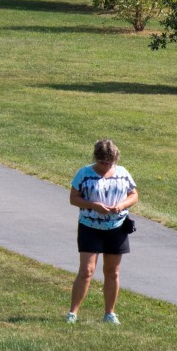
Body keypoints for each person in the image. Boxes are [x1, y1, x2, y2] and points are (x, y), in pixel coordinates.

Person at [66, 139, 138, 325]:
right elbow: (73, 198)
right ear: (96, 159)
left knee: (112, 271)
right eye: (102, 162)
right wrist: (93, 206)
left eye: (110, 162)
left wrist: (121, 205)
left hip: (117, 227)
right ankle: (73, 313)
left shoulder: (122, 173)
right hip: (90, 227)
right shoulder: (84, 173)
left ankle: (110, 313)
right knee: (86, 271)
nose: (106, 166)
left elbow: (134, 194)